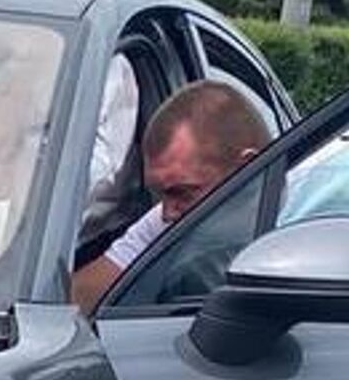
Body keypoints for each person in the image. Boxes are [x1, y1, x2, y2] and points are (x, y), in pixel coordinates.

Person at [71, 79, 270, 313]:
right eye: (159, 194)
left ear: (247, 170)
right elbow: (84, 293)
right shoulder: (166, 218)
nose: (167, 214)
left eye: (182, 192)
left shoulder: (296, 223)